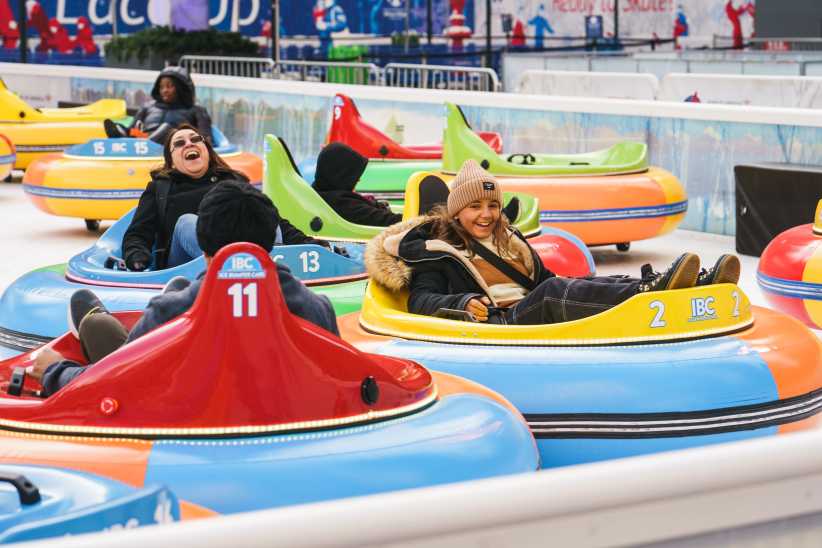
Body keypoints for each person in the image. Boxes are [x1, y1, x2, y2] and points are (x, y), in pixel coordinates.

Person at [31, 180, 340, 396]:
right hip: (282, 422)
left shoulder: (171, 312)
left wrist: (55, 371)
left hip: (180, 420)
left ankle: (95, 320)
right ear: (270, 243)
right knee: (175, 291)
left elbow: (113, 384)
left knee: (100, 327)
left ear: (203, 249)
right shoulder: (317, 308)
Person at [365, 159, 741, 325]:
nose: (486, 214)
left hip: (526, 308)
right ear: (456, 212)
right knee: (553, 292)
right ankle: (650, 291)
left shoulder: (508, 241)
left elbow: (544, 278)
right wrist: (462, 302)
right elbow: (420, 300)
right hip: (500, 320)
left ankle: (685, 286)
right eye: (475, 207)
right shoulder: (435, 250)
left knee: (588, 282)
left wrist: (589, 287)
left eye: (492, 206)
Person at [123, 124, 328, 272]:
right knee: (187, 222)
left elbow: (273, 220)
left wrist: (310, 244)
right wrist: (137, 257)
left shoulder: (233, 181)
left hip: (250, 256)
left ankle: (269, 264)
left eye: (195, 139)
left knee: (265, 215)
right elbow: (137, 234)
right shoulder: (160, 189)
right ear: (172, 161)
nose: (189, 144)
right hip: (186, 267)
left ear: (207, 150)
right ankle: (233, 267)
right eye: (179, 143)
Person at [104, 66, 212, 144]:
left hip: (173, 145)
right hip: (142, 140)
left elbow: (205, 139)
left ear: (181, 88)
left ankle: (148, 144)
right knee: (124, 129)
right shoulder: (147, 107)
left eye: (169, 86)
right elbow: (134, 129)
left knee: (167, 129)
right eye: (161, 87)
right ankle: (120, 134)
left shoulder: (196, 110)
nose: (164, 90)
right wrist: (127, 131)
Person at [313, 142, 403, 227]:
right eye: (353, 175)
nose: (358, 180)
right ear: (341, 175)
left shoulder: (320, 194)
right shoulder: (344, 205)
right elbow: (389, 220)